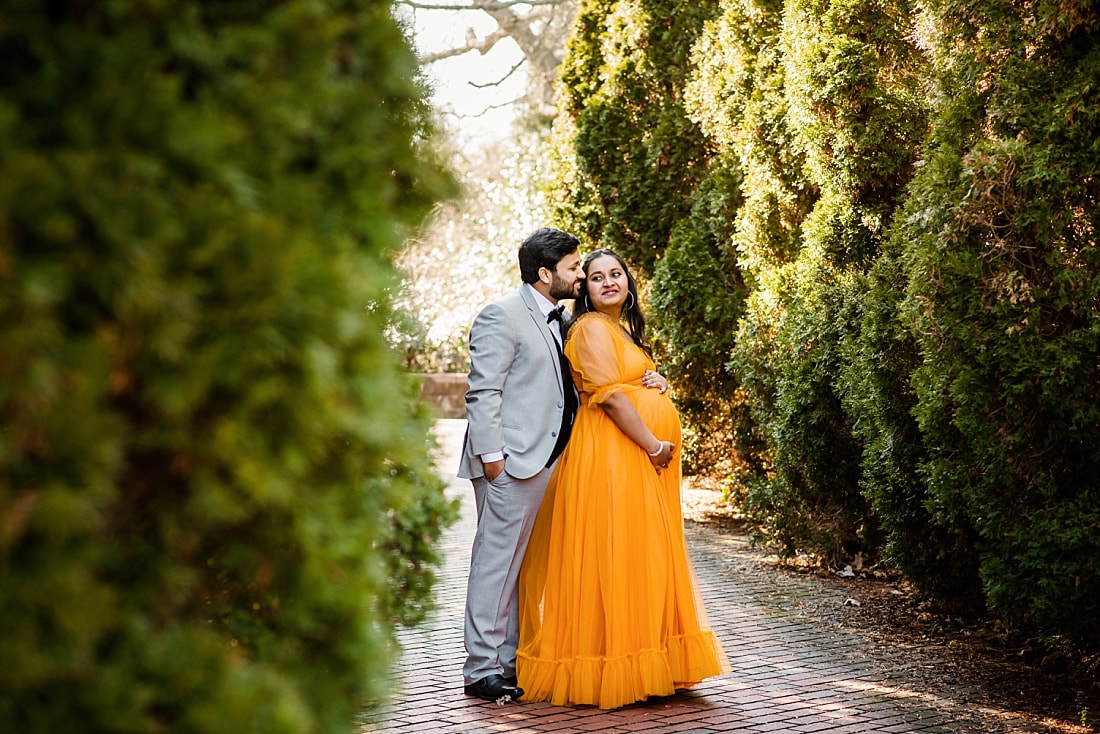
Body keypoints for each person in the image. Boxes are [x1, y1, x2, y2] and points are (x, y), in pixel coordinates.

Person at [516, 248, 731, 709]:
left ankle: (649, 659)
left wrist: (654, 382)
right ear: (585, 291)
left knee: (640, 555)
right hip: (613, 458)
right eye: (596, 277)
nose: (608, 282)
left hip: (630, 457)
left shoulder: (619, 331)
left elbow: (623, 384)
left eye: (616, 274)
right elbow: (610, 398)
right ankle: (616, 663)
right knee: (620, 556)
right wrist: (654, 445)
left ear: (628, 282)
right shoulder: (591, 328)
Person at [458, 227, 585, 703]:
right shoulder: (502, 315)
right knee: (496, 564)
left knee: (518, 567)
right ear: (545, 272)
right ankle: (481, 670)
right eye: (572, 267)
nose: (580, 273)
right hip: (510, 462)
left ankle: (506, 663)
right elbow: (483, 390)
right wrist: (494, 461)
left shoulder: (561, 318)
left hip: (544, 459)